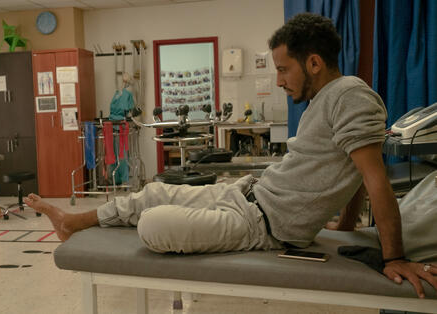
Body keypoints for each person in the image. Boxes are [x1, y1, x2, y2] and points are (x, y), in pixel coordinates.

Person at [25, 13, 437, 298]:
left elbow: (374, 177)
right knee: (154, 191)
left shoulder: (351, 97)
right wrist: (346, 227)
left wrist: (394, 256)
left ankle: (82, 222)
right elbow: (350, 173)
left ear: (313, 63)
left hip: (261, 225)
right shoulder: (326, 100)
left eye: (283, 69)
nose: (278, 81)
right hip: (247, 195)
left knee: (153, 224)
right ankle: (72, 221)